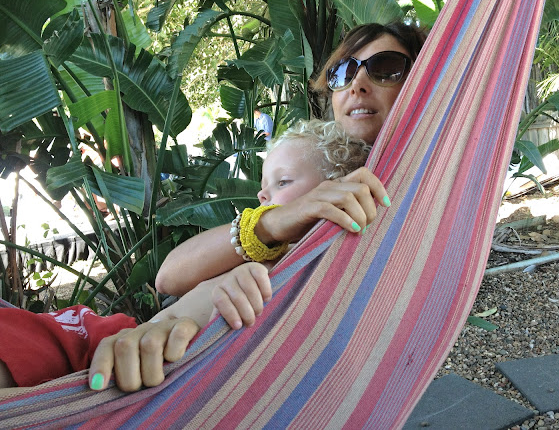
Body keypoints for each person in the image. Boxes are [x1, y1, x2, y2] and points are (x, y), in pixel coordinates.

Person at [82, 21, 428, 393]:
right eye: (342, 72)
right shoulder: (312, 183)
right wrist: (273, 224)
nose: (356, 84)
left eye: (385, 68)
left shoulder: (420, 188)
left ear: (423, 79)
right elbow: (168, 278)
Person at [0, 120, 371, 391]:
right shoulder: (267, 250)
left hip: (115, 356)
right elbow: (168, 280)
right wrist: (267, 227)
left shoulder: (312, 269)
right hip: (111, 344)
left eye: (283, 182)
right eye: (263, 186)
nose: (262, 196)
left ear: (334, 187)